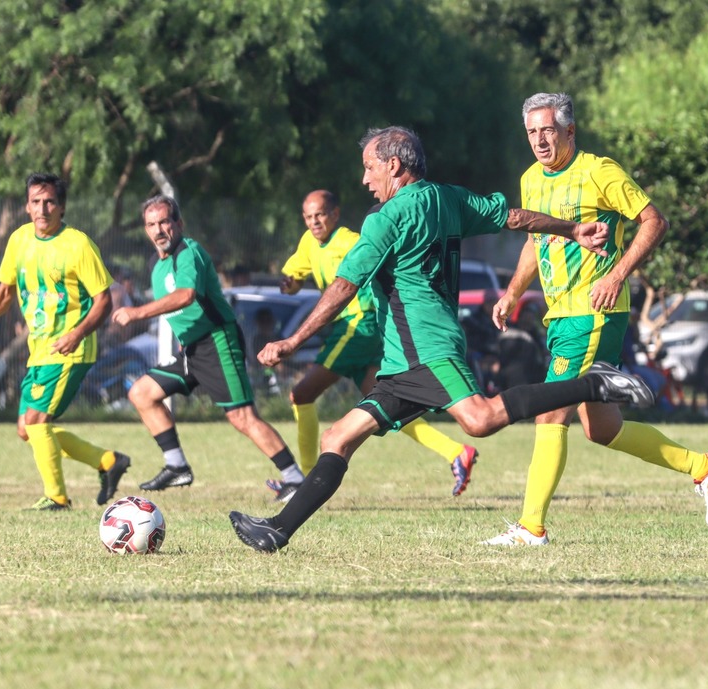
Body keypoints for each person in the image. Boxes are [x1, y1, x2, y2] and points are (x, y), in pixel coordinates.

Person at [228, 125, 656, 553]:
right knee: (337, 438)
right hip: (401, 359)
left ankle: (594, 384)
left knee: (480, 420)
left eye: (369, 168)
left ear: (394, 166)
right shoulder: (449, 197)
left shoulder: (386, 218)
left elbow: (344, 286)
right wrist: (571, 229)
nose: (365, 179)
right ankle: (277, 531)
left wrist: (292, 341)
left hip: (427, 346)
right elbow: (514, 217)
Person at [484, 93, 708, 547]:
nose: (540, 140)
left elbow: (654, 221)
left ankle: (531, 528)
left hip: (593, 313)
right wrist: (512, 293)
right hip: (560, 315)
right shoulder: (530, 179)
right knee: (603, 429)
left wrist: (618, 275)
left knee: (549, 414)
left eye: (548, 130)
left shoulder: (599, 171)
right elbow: (534, 241)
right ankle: (704, 467)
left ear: (569, 131)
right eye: (532, 132)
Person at [279, 189, 481, 498]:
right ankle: (455, 451)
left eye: (319, 215)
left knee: (301, 394)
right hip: (355, 330)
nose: (313, 222)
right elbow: (292, 281)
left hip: (360, 325)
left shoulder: (350, 239)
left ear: (334, 214)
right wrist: (290, 283)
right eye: (308, 217)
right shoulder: (308, 243)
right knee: (382, 409)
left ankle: (304, 479)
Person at [111, 194, 305, 499]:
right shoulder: (156, 264)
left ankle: (294, 479)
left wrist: (137, 312)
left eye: (164, 221)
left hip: (217, 342)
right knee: (142, 393)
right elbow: (179, 314)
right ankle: (176, 466)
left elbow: (186, 296)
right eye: (151, 224)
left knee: (242, 418)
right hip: (191, 350)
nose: (159, 230)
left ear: (179, 223)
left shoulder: (189, 251)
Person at [0, 172, 130, 511]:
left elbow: (104, 300)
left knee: (36, 422)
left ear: (62, 207)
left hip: (71, 350)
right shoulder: (19, 240)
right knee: (27, 430)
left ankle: (57, 497)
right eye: (36, 202)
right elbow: (5, 290)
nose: (42, 209)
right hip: (39, 350)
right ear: (27, 207)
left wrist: (76, 334)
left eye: (49, 202)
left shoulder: (78, 244)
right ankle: (107, 461)